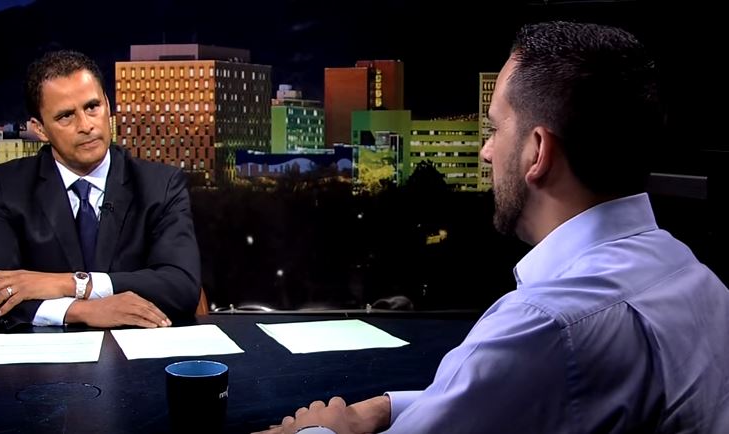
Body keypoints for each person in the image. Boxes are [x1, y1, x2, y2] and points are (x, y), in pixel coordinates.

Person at [255, 21, 729, 434]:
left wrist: (321, 430)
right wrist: (385, 406)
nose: (485, 151)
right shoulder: (698, 281)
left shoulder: (544, 325)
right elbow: (517, 397)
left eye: (495, 129)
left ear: (537, 151)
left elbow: (532, 370)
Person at [0, 50, 201, 330]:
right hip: (45, 366)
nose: (86, 126)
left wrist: (69, 283)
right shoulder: (9, 186)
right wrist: (78, 311)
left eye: (92, 107)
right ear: (40, 128)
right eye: (65, 116)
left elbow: (181, 286)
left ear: (108, 106)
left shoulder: (160, 185)